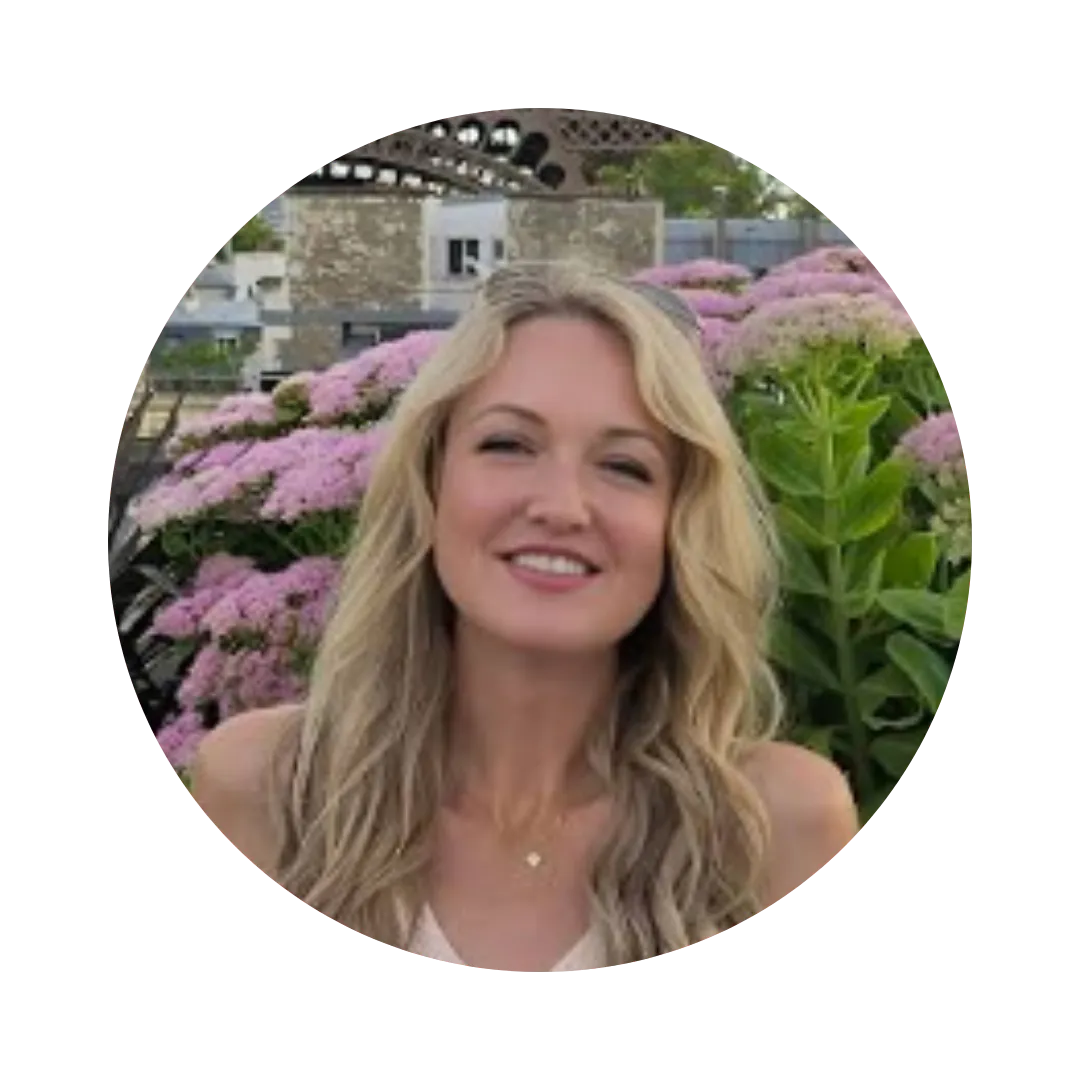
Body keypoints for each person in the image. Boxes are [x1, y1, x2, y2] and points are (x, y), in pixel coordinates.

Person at [190, 258, 859, 973]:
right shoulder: (267, 790)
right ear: (430, 483)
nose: (562, 507)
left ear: (679, 525)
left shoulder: (775, 826)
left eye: (625, 466)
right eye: (508, 444)